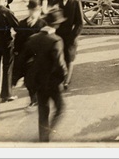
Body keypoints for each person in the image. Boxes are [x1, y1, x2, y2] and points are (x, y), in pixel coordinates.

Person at [23, 8, 68, 142]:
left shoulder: (33, 39)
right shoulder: (56, 40)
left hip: (39, 82)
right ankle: (48, 133)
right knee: (60, 108)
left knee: (43, 110)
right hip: (52, 82)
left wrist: (25, 78)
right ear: (56, 25)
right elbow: (60, 64)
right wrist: (63, 78)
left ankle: (43, 138)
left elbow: (22, 59)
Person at [13, 0, 46, 109]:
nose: (32, 13)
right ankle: (33, 98)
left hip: (38, 57)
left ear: (39, 11)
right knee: (28, 80)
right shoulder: (22, 23)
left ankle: (37, 99)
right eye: (31, 10)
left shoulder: (43, 24)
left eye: (35, 10)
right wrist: (17, 52)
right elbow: (17, 41)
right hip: (25, 57)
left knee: (36, 79)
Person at [52, 0, 83, 89]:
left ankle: (66, 81)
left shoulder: (75, 2)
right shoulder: (55, 2)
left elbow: (80, 23)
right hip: (58, 35)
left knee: (69, 58)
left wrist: (73, 36)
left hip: (70, 35)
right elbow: (50, 19)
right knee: (58, 57)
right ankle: (60, 79)